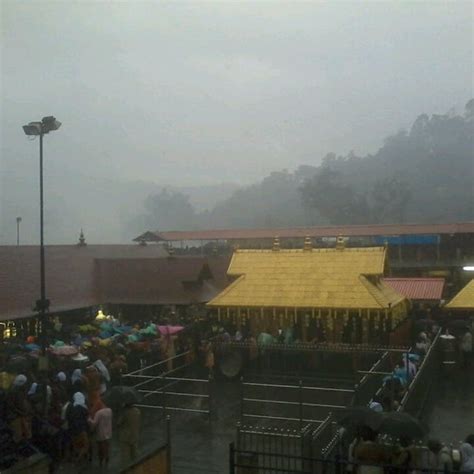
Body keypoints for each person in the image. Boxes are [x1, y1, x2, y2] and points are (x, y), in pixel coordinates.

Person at [67, 392, 90, 463]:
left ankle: (76, 458)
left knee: (76, 446)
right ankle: (78, 459)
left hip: (73, 430)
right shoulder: (84, 408)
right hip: (82, 430)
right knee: (86, 445)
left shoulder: (71, 408)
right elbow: (88, 420)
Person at [88, 400, 112, 468]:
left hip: (100, 433)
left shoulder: (99, 413)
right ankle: (107, 458)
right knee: (107, 446)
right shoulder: (110, 410)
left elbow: (94, 423)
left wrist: (89, 419)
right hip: (108, 432)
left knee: (100, 448)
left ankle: (101, 461)